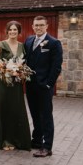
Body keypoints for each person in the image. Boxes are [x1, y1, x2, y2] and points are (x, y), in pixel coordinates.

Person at [0, 21, 31, 151]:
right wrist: (6, 69)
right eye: (10, 30)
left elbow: (24, 63)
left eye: (15, 30)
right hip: (2, 83)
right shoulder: (0, 45)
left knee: (15, 110)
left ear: (19, 32)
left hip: (16, 84)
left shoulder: (22, 46)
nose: (13, 32)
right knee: (3, 109)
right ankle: (5, 140)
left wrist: (19, 70)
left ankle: (17, 139)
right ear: (7, 31)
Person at [25, 16, 63, 157]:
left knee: (46, 116)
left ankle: (47, 147)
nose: (38, 27)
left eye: (41, 25)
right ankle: (36, 141)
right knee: (35, 114)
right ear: (33, 26)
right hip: (30, 85)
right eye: (36, 25)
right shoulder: (29, 41)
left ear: (46, 26)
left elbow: (56, 67)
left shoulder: (54, 43)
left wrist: (48, 84)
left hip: (44, 86)